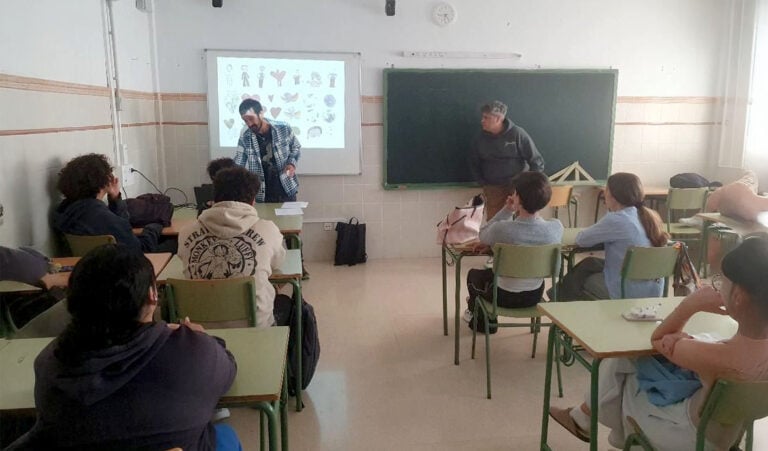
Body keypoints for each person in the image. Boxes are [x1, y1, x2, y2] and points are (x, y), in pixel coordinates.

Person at [5, 244, 240, 450]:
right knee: (226, 435)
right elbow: (228, 368)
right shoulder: (192, 351)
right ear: (152, 295)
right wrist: (201, 338)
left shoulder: (50, 363)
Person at [550, 236, 768, 450]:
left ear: (738, 296)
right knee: (631, 366)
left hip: (691, 438)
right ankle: (587, 421)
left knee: (628, 369)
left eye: (721, 283)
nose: (718, 287)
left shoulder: (716, 356)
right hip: (729, 436)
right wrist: (693, 343)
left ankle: (598, 427)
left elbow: (657, 340)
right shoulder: (732, 351)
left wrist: (690, 305)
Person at [177, 166, 287, 328]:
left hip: (199, 329)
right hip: (253, 328)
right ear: (252, 201)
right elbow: (278, 265)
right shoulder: (268, 229)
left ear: (214, 198)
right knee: (289, 304)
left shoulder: (186, 232)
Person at [464, 171, 564, 333]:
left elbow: (483, 235)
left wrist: (507, 210)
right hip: (534, 296)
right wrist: (492, 247)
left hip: (503, 297)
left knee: (475, 275)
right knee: (526, 272)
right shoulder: (555, 228)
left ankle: (485, 323)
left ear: (518, 199)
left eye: (515, 193)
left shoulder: (502, 229)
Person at [555, 172, 669, 300]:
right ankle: (558, 299)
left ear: (613, 195)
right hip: (652, 291)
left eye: (606, 190)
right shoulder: (648, 216)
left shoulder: (617, 219)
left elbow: (582, 239)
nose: (604, 193)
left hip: (624, 292)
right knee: (589, 263)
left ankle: (559, 304)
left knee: (577, 280)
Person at [52, 153, 166, 253]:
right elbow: (140, 249)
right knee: (174, 241)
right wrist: (153, 228)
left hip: (88, 267)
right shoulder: (99, 215)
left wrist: (115, 198)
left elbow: (122, 229)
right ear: (104, 180)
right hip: (122, 266)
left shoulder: (64, 211)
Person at [469, 100, 545, 219]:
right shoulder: (479, 139)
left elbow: (536, 160)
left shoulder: (517, 133)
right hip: (493, 187)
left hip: (519, 187)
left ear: (498, 119)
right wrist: (483, 183)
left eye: (486, 117)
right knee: (494, 223)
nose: (482, 121)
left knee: (524, 222)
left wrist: (531, 184)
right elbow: (474, 162)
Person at [234, 98, 301, 203]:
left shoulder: (283, 128)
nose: (249, 124)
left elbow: (295, 147)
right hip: (261, 194)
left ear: (261, 113)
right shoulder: (245, 136)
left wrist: (291, 164)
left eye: (251, 119)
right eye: (245, 120)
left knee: (290, 219)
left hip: (286, 189)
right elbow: (239, 162)